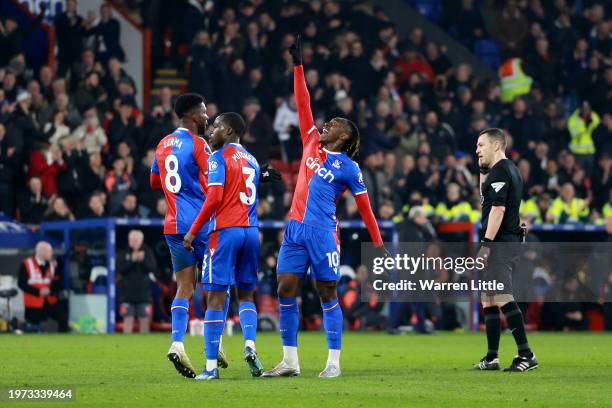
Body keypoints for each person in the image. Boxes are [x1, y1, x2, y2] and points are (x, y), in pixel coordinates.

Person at [262, 36, 388, 379]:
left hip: (322, 233)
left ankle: (333, 361)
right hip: (294, 229)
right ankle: (290, 361)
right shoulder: (309, 141)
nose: (324, 125)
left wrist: (377, 246)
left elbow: (366, 209)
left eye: (332, 125)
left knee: (326, 292)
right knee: (285, 289)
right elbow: (303, 103)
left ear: (344, 137)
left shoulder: (349, 168)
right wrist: (298, 66)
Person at [185, 112, 265, 381]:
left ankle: (210, 367)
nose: (211, 129)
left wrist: (192, 231)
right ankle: (250, 346)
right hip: (251, 232)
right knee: (246, 295)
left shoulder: (218, 158)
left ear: (229, 131)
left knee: (215, 297)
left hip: (225, 233)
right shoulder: (252, 161)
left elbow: (214, 199)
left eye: (217, 126)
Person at [149, 93, 222, 378]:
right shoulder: (199, 144)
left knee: (184, 286)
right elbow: (215, 179)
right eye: (204, 112)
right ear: (193, 116)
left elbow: (155, 181)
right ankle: (213, 344)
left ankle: (177, 342)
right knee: (216, 284)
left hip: (172, 225)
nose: (207, 117)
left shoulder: (163, 143)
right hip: (200, 224)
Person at [474, 128, 538, 372]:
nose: (477, 149)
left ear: (497, 146)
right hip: (503, 241)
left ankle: (526, 354)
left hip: (499, 243)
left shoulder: (502, 170)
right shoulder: (505, 170)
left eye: (481, 145)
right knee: (488, 299)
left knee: (501, 297)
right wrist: (481, 169)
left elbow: (497, 210)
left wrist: (486, 245)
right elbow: (485, 199)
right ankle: (492, 357)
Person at [17, 241, 68, 332]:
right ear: (42, 252)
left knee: (63, 315)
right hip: (33, 303)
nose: (51, 253)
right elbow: (21, 284)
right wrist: (38, 292)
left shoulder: (53, 264)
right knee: (33, 327)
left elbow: (58, 282)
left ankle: (64, 340)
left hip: (50, 300)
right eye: (49, 251)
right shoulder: (26, 264)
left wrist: (50, 289)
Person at [117, 230, 156, 334]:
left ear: (141, 241)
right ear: (129, 240)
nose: (134, 242)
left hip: (144, 294)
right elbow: (120, 269)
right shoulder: (123, 252)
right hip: (127, 294)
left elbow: (152, 268)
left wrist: (142, 260)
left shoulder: (147, 251)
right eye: (132, 240)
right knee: (127, 320)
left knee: (144, 320)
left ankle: (143, 346)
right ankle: (126, 345)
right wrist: (132, 260)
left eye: (136, 240)